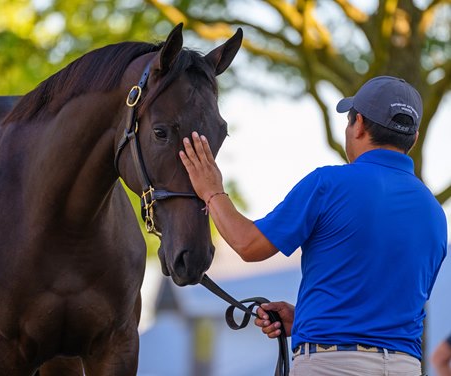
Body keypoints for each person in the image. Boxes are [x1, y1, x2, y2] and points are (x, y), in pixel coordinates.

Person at [179, 75, 448, 376]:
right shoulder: (434, 213)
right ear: (413, 138)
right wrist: (306, 318)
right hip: (406, 367)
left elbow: (248, 244)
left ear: (358, 124)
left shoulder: (328, 184)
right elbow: (393, 303)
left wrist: (211, 190)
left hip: (331, 366)